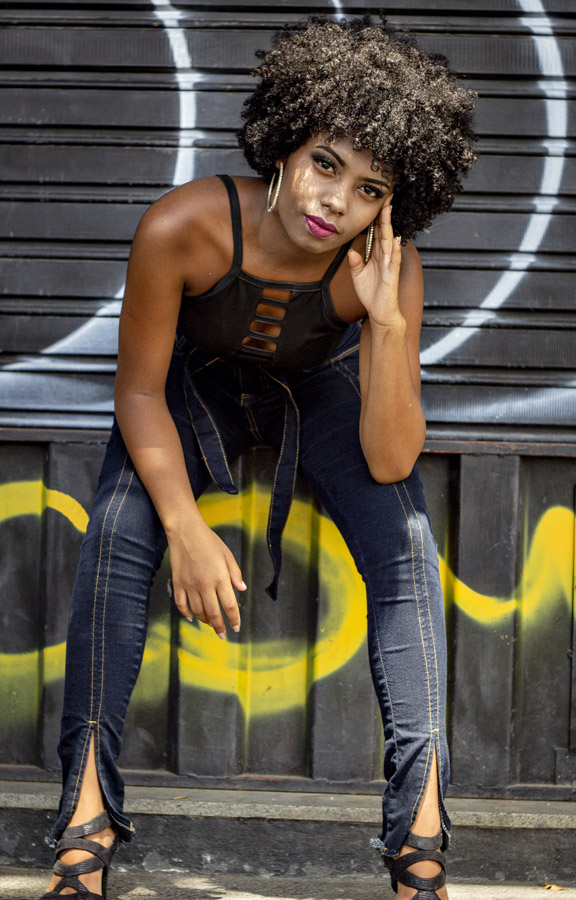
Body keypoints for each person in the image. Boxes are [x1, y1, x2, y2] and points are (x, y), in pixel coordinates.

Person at [40, 15, 476, 900]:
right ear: (284, 144)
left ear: (392, 205)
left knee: (407, 549)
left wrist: (387, 320)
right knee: (117, 531)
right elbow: (137, 394)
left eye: (369, 189)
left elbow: (391, 458)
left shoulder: (385, 266)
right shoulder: (183, 226)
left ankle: (420, 844)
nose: (336, 202)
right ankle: (85, 828)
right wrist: (185, 527)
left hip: (321, 391)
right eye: (326, 164)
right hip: (191, 390)